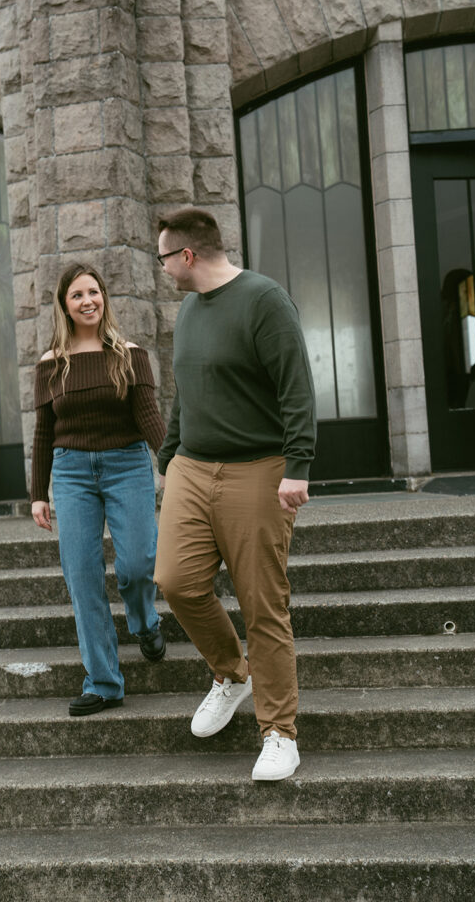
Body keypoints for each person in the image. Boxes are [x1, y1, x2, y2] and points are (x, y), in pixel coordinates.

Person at [154, 207, 316, 780]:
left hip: (258, 470)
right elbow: (186, 392)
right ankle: (230, 672)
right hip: (193, 470)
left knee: (261, 604)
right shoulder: (190, 311)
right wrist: (169, 457)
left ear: (188, 256)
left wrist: (298, 464)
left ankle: (279, 733)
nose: (163, 270)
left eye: (164, 258)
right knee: (175, 580)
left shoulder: (264, 300)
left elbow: (296, 384)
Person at [31, 262, 167, 717]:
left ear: (103, 297)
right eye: (77, 295)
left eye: (94, 292)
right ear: (64, 306)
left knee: (136, 563)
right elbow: (44, 433)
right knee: (83, 577)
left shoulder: (130, 354)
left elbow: (149, 418)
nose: (87, 300)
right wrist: (37, 492)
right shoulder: (52, 364)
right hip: (70, 476)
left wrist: (173, 465)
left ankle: (145, 622)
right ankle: (104, 681)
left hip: (127, 464)